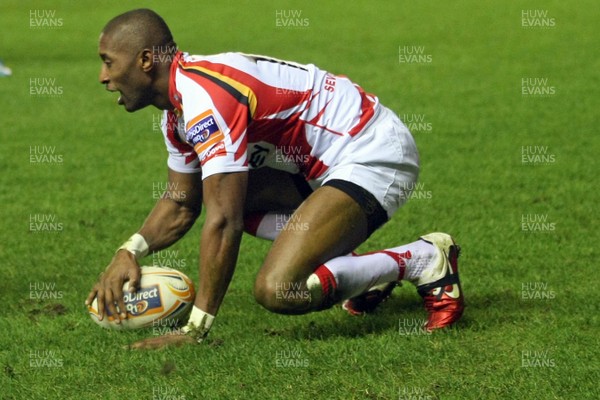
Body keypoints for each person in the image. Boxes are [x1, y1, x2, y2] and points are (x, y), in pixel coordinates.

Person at [85, 9, 464, 349]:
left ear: (146, 60)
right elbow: (183, 202)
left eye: (108, 63)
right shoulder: (178, 113)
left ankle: (421, 259)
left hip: (373, 152)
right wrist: (129, 252)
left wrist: (193, 330)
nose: (103, 77)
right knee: (224, 193)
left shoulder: (206, 100)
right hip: (322, 166)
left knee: (278, 289)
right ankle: (355, 269)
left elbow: (223, 220)